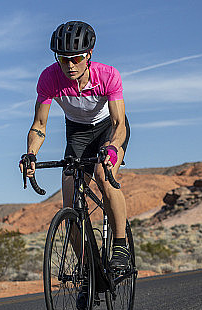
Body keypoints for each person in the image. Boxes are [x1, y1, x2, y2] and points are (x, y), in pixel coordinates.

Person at [18, 20, 131, 290]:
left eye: (76, 58)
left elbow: (119, 124)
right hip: (78, 133)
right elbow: (39, 125)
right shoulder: (49, 78)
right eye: (63, 59)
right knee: (69, 204)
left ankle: (120, 245)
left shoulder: (108, 76)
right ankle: (88, 271)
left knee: (104, 176)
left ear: (89, 55)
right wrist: (31, 153)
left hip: (108, 129)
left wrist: (112, 148)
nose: (69, 65)